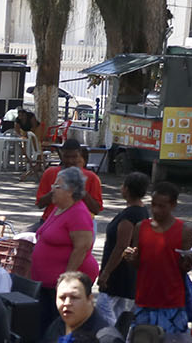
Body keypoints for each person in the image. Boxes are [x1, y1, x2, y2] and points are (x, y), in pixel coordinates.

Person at [29, 166, 98, 332]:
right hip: (46, 283)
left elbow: (82, 247)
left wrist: (66, 280)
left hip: (62, 284)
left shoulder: (79, 213)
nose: (52, 190)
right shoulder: (58, 208)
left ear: (71, 190)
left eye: (57, 187)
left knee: (56, 327)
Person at [123, 181, 192, 334]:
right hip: (144, 299)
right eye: (153, 205)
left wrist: (187, 263)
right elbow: (138, 263)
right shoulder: (140, 227)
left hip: (172, 302)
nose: (156, 210)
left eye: (162, 206)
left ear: (173, 205)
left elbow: (184, 269)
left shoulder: (185, 231)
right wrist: (131, 258)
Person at [95, 171, 151, 326]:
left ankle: (112, 340)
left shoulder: (130, 215)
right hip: (129, 272)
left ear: (126, 189)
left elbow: (121, 246)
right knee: (121, 314)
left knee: (102, 312)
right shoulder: (142, 211)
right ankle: (121, 340)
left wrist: (106, 273)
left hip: (118, 272)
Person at [34, 140, 103, 220]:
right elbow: (40, 204)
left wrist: (81, 191)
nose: (70, 161)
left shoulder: (91, 177)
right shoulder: (50, 172)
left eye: (74, 157)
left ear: (80, 155)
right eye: (67, 157)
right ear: (61, 155)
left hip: (77, 223)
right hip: (49, 221)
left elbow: (96, 210)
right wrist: (56, 190)